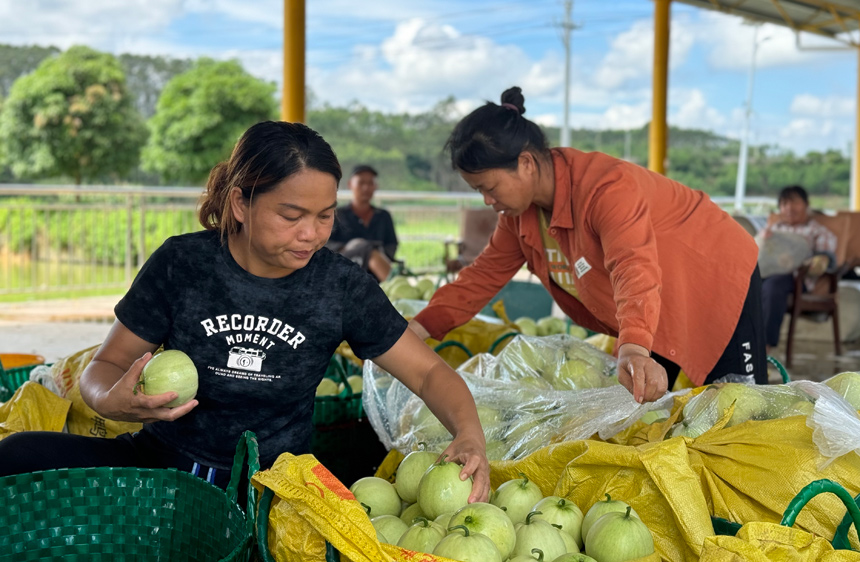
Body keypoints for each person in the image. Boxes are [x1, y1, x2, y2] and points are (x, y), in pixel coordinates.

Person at [0, 121, 490, 503]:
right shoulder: (183, 263)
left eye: (325, 217)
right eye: (291, 216)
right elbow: (104, 366)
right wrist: (111, 401)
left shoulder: (340, 286)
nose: (312, 235)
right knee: (18, 456)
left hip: (275, 489)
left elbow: (427, 373)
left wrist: (469, 434)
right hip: (163, 466)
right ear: (240, 202)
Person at [409, 87, 768, 403]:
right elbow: (480, 279)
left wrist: (632, 347)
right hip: (652, 302)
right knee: (647, 412)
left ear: (526, 163)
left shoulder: (607, 189)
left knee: (739, 407)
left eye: (489, 187)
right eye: (478, 192)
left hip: (715, 279)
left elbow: (632, 266)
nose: (487, 200)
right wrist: (414, 331)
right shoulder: (519, 217)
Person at [757, 185, 837, 354]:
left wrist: (821, 260)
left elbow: (826, 257)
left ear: (806, 205)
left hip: (795, 279)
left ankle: (764, 349)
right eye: (784, 204)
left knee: (772, 287)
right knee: (745, 286)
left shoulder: (818, 231)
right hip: (764, 274)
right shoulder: (772, 229)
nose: (789, 208)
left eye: (795, 203)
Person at [326, 164, 398, 282]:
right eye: (361, 183)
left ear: (376, 186)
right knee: (364, 247)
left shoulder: (384, 216)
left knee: (368, 249)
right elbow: (327, 244)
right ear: (350, 184)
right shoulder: (337, 214)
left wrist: (376, 254)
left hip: (377, 272)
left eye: (370, 183)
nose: (366, 188)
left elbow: (392, 245)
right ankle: (395, 287)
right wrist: (357, 250)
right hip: (346, 270)